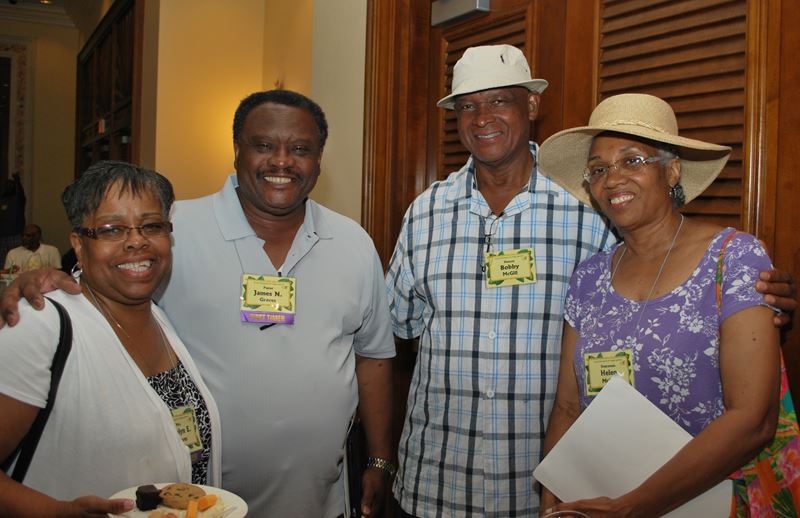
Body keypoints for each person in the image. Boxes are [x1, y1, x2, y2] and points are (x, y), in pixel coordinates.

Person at [385, 44, 797, 517]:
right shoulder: (427, 214)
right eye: (467, 105)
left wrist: (759, 297)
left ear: (531, 105)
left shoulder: (589, 211)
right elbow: (399, 326)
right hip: (447, 479)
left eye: (499, 100)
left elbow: (682, 272)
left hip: (647, 493)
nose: (482, 117)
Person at [0, 90, 396, 518]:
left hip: (320, 499)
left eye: (300, 149)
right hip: (198, 504)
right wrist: (45, 280)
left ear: (319, 159)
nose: (282, 161)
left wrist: (379, 459)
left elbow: (373, 356)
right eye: (264, 145)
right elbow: (107, 281)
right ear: (237, 151)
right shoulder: (174, 228)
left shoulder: (353, 243)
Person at [537, 93, 798, 517]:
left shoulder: (733, 258)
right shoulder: (588, 278)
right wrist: (554, 485)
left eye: (632, 161)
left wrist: (634, 506)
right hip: (602, 498)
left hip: (710, 502)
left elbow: (754, 420)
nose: (613, 179)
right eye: (599, 169)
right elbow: (568, 406)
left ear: (672, 170)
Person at [0, 161, 221, 517]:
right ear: (78, 244)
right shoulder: (41, 325)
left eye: (152, 225)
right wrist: (55, 512)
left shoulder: (160, 317)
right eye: (112, 229)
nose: (136, 240)